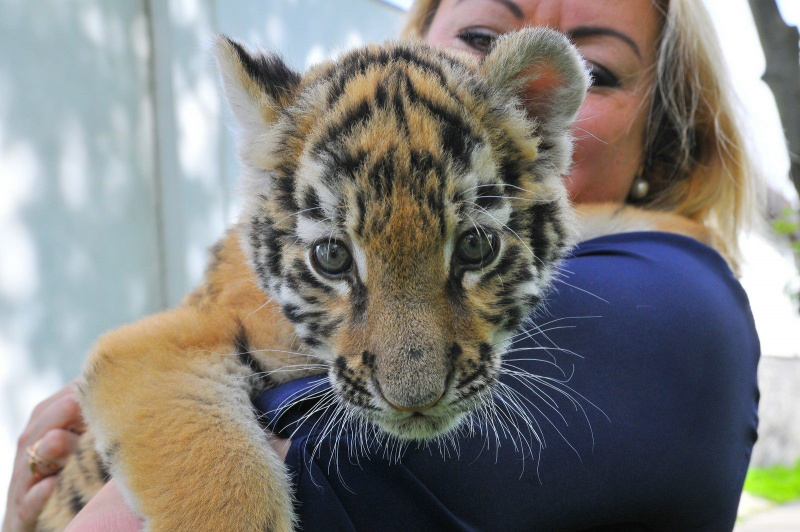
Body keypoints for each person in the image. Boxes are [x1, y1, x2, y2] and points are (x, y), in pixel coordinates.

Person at [5, 0, 761, 530]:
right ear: (422, 28)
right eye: (480, 34)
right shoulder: (287, 240)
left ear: (669, 139)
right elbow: (143, 370)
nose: (411, 381)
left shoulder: (676, 302)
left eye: (594, 68)